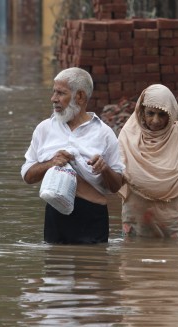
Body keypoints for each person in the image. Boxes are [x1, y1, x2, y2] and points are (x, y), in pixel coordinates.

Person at [21, 67, 125, 244]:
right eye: (54, 92)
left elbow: (116, 186)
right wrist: (50, 163)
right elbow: (27, 176)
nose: (53, 99)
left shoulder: (104, 133)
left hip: (92, 215)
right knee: (55, 265)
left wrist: (104, 168)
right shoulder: (44, 129)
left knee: (93, 266)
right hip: (55, 214)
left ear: (80, 97)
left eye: (61, 93)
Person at [118, 84, 178, 238]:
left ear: (172, 114)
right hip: (137, 217)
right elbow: (116, 177)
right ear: (141, 112)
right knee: (133, 259)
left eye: (162, 114)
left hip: (177, 216)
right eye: (150, 113)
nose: (155, 120)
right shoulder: (128, 135)